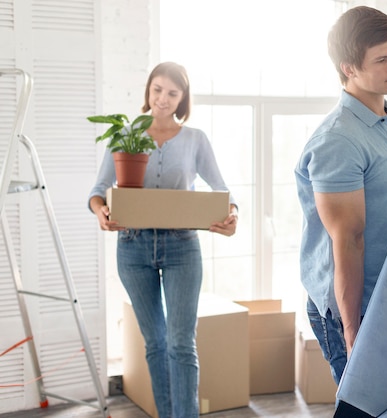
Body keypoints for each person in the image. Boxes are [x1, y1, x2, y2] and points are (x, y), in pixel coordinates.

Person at [88, 62, 238, 418]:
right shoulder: (125, 134)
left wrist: (233, 216)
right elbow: (98, 192)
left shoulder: (195, 139)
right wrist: (100, 213)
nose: (163, 99)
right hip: (133, 249)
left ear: (182, 98)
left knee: (180, 344)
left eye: (172, 93)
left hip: (182, 248)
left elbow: (222, 190)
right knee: (155, 344)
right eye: (157, 89)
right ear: (148, 90)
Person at [294, 6, 387, 384]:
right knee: (360, 403)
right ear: (349, 68)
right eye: (382, 59)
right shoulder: (338, 141)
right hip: (350, 307)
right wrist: (352, 333)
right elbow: (349, 240)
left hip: (384, 293)